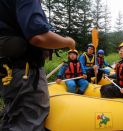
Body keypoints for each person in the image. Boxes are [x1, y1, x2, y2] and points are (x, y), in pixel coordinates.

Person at [0, 0, 75, 131]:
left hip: (8, 72)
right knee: (28, 122)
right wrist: (68, 42)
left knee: (13, 116)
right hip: (26, 73)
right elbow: (38, 37)